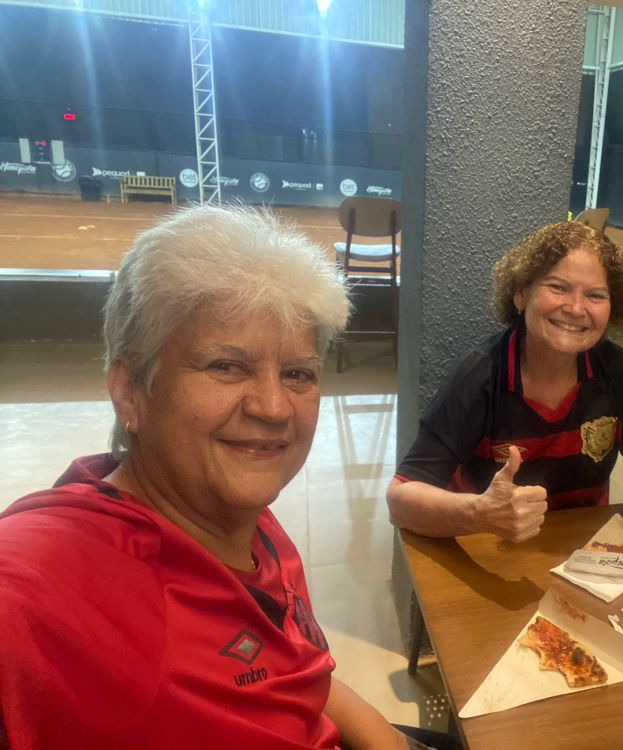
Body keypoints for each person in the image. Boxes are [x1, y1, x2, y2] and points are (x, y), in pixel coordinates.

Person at [0, 206, 456, 750]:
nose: (273, 407)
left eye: (297, 373)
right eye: (226, 366)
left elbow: (295, 671)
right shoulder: (57, 580)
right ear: (130, 391)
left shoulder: (244, 520)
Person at [387, 220, 623, 542]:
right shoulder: (479, 375)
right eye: (558, 287)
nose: (576, 308)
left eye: (595, 295)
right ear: (521, 295)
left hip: (582, 549)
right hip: (487, 546)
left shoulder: (617, 370)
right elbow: (400, 500)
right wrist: (480, 514)